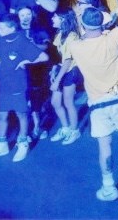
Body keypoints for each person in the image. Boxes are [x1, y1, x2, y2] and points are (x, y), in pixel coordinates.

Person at [66, 0, 118, 202]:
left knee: (104, 145)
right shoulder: (114, 38)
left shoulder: (75, 46)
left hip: (98, 105)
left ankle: (109, 186)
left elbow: (73, 32)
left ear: (83, 25)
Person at [0, 15, 48, 163]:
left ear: (12, 28)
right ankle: (2, 144)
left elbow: (44, 57)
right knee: (1, 115)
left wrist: (25, 60)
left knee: (21, 114)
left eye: (2, 28)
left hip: (18, 84)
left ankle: (23, 142)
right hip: (4, 84)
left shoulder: (22, 41)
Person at [48, 10, 82, 145]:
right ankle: (65, 128)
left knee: (68, 102)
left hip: (71, 71)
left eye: (55, 16)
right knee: (55, 102)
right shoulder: (60, 34)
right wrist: (54, 69)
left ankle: (75, 130)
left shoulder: (72, 37)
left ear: (63, 19)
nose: (52, 18)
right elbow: (59, 57)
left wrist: (57, 81)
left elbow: (68, 61)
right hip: (62, 69)